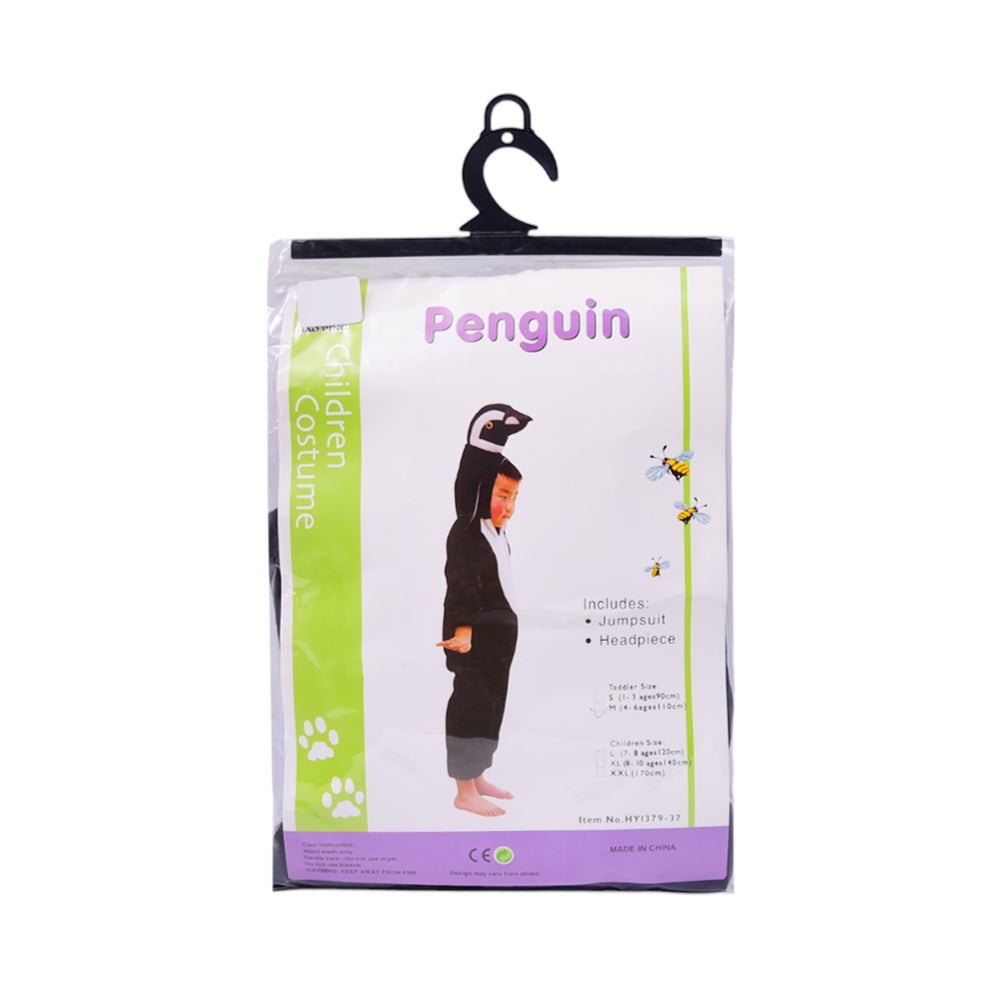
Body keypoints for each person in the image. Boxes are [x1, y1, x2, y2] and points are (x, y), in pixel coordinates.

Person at [437, 463, 522, 817]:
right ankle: (464, 790)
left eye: (515, 498)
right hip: (473, 638)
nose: (510, 507)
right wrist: (462, 630)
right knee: (470, 704)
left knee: (492, 706)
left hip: (498, 641)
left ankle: (478, 775)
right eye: (503, 496)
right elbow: (461, 582)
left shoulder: (497, 533)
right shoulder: (467, 532)